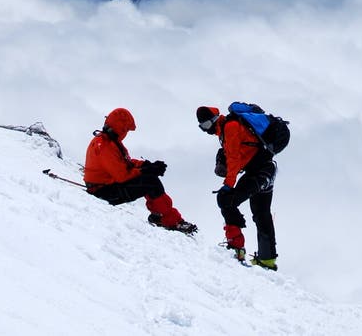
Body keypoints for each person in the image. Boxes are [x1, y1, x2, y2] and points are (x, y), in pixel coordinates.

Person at [84, 107, 197, 235]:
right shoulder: (105, 145)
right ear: (120, 128)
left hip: (105, 187)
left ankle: (160, 215)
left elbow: (127, 162)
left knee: (149, 179)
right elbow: (122, 175)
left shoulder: (109, 142)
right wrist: (145, 170)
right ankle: (170, 220)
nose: (126, 133)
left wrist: (146, 165)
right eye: (126, 129)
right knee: (150, 182)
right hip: (104, 192)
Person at [196, 105, 278, 269]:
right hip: (263, 171)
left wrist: (228, 184)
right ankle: (267, 260)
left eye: (206, 126)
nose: (206, 130)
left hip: (260, 173)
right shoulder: (225, 131)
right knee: (261, 213)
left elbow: (234, 159)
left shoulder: (231, 127)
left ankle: (236, 247)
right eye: (201, 127)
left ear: (213, 120)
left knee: (226, 200)